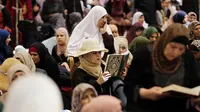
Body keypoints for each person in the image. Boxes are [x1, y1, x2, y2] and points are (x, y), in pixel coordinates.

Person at [124, 23, 200, 112]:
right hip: (147, 107)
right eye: (173, 47)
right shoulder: (145, 55)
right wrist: (145, 93)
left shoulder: (187, 57)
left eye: (181, 49)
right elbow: (128, 86)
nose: (175, 52)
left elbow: (196, 82)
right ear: (165, 42)